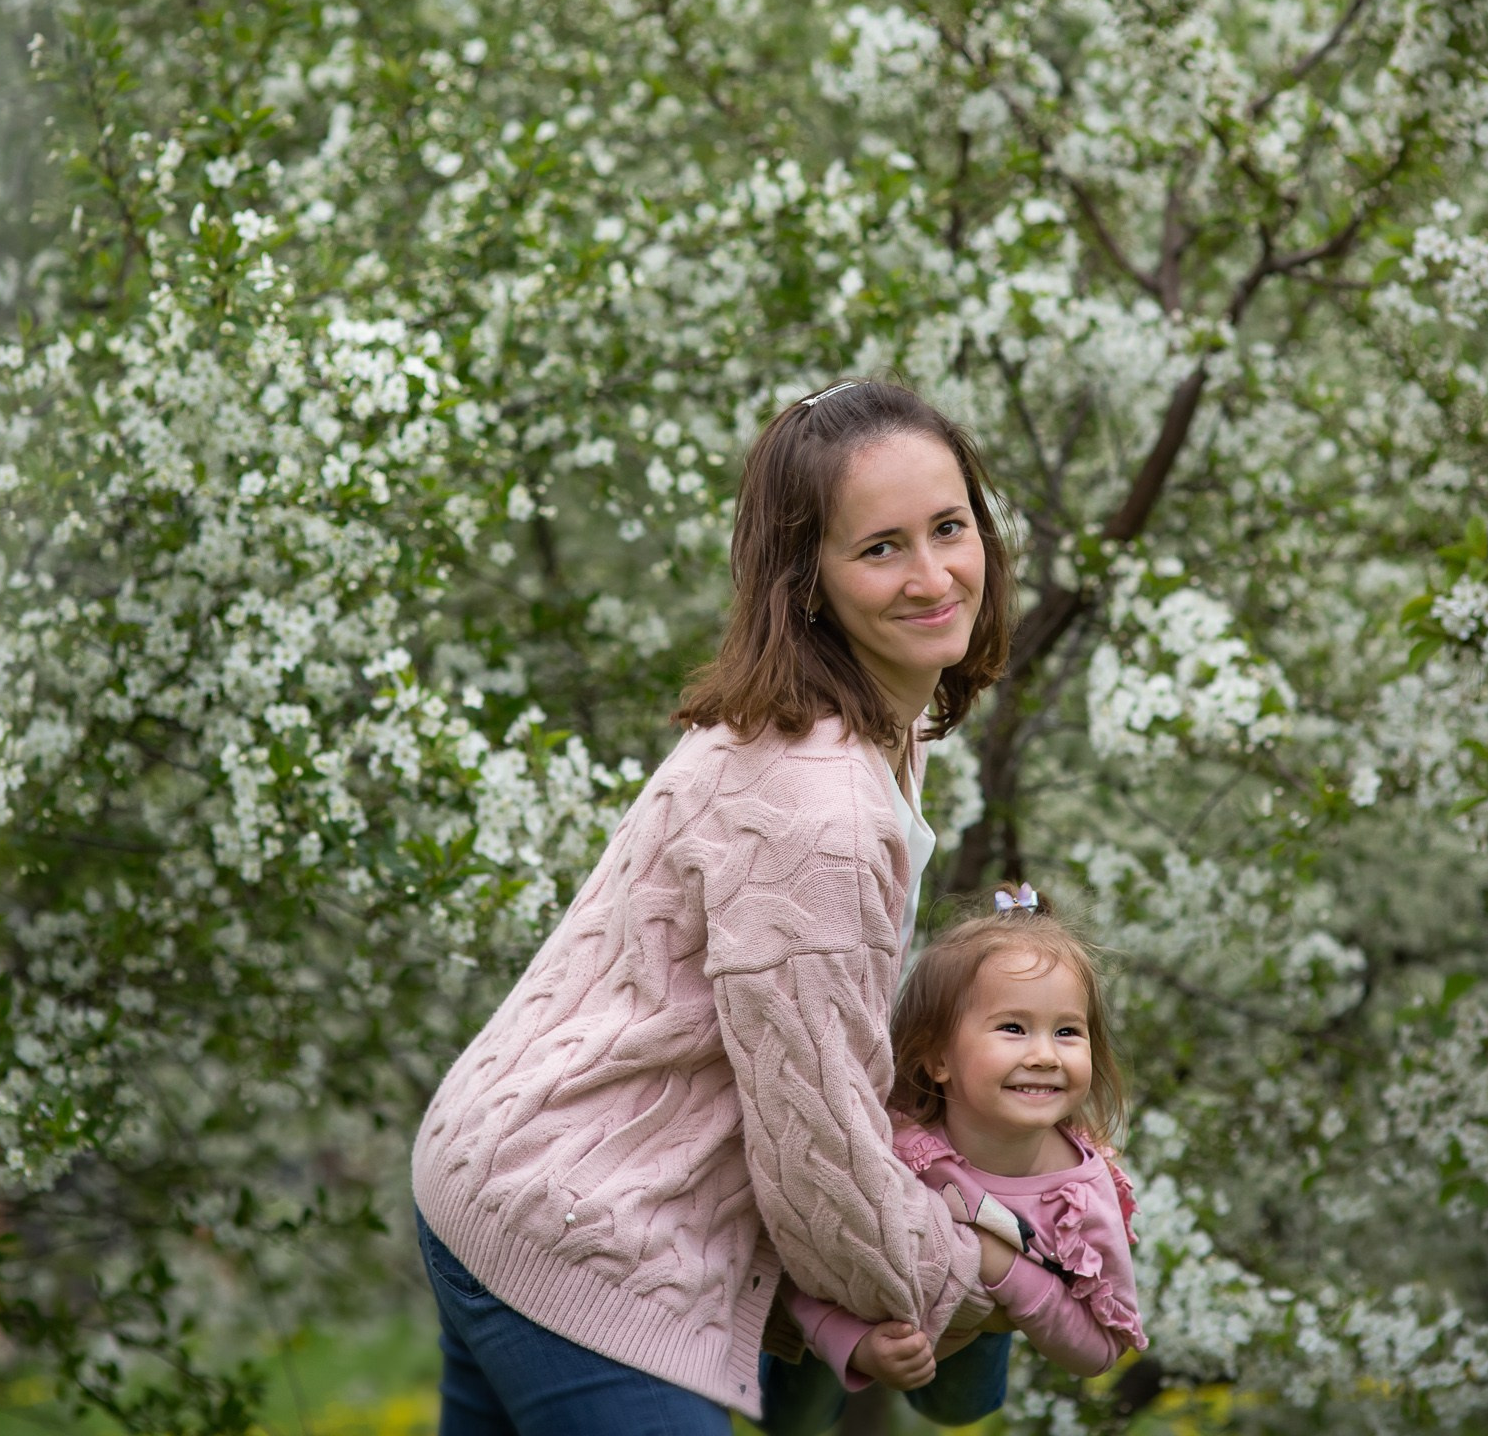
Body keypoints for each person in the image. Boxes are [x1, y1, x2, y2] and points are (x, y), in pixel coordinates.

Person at [410, 380, 1027, 1433]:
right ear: (810, 582)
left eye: (950, 527)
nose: (933, 576)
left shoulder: (841, 729)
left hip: (495, 1171)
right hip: (581, 1221)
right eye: (881, 547)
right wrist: (988, 1265)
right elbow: (818, 1137)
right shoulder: (819, 804)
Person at [757, 891, 1147, 1435]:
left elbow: (1103, 1347)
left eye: (1067, 1031)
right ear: (938, 1058)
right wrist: (854, 1344)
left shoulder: (1080, 1192)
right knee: (792, 1420)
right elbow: (806, 1247)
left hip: (969, 1341)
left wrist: (1002, 1270)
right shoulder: (894, 1150)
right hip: (856, 1310)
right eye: (1013, 1027)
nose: (1044, 1054)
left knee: (957, 1410)